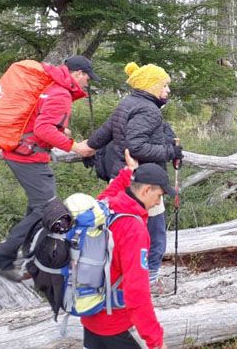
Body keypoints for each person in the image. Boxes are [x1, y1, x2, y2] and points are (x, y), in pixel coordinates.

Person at [0, 55, 98, 281]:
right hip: (27, 156)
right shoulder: (61, 93)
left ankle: (27, 256)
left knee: (38, 205)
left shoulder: (53, 86)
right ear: (78, 74)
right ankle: (0, 257)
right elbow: (44, 129)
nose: (88, 83)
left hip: (21, 151)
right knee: (46, 208)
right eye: (87, 77)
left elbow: (40, 121)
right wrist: (75, 147)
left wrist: (59, 131)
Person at [85, 62, 183, 291]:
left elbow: (104, 132)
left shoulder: (127, 103)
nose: (168, 91)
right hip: (143, 184)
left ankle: (119, 281)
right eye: (165, 86)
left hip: (121, 178)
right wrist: (171, 152)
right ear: (152, 87)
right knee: (154, 234)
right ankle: (147, 282)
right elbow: (136, 147)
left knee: (121, 233)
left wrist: (86, 147)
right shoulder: (148, 110)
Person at [82, 148, 171, 349]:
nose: (158, 202)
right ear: (146, 190)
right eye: (159, 195)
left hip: (90, 312)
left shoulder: (106, 208)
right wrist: (155, 341)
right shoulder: (133, 228)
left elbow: (109, 192)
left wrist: (128, 173)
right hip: (113, 323)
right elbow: (137, 291)